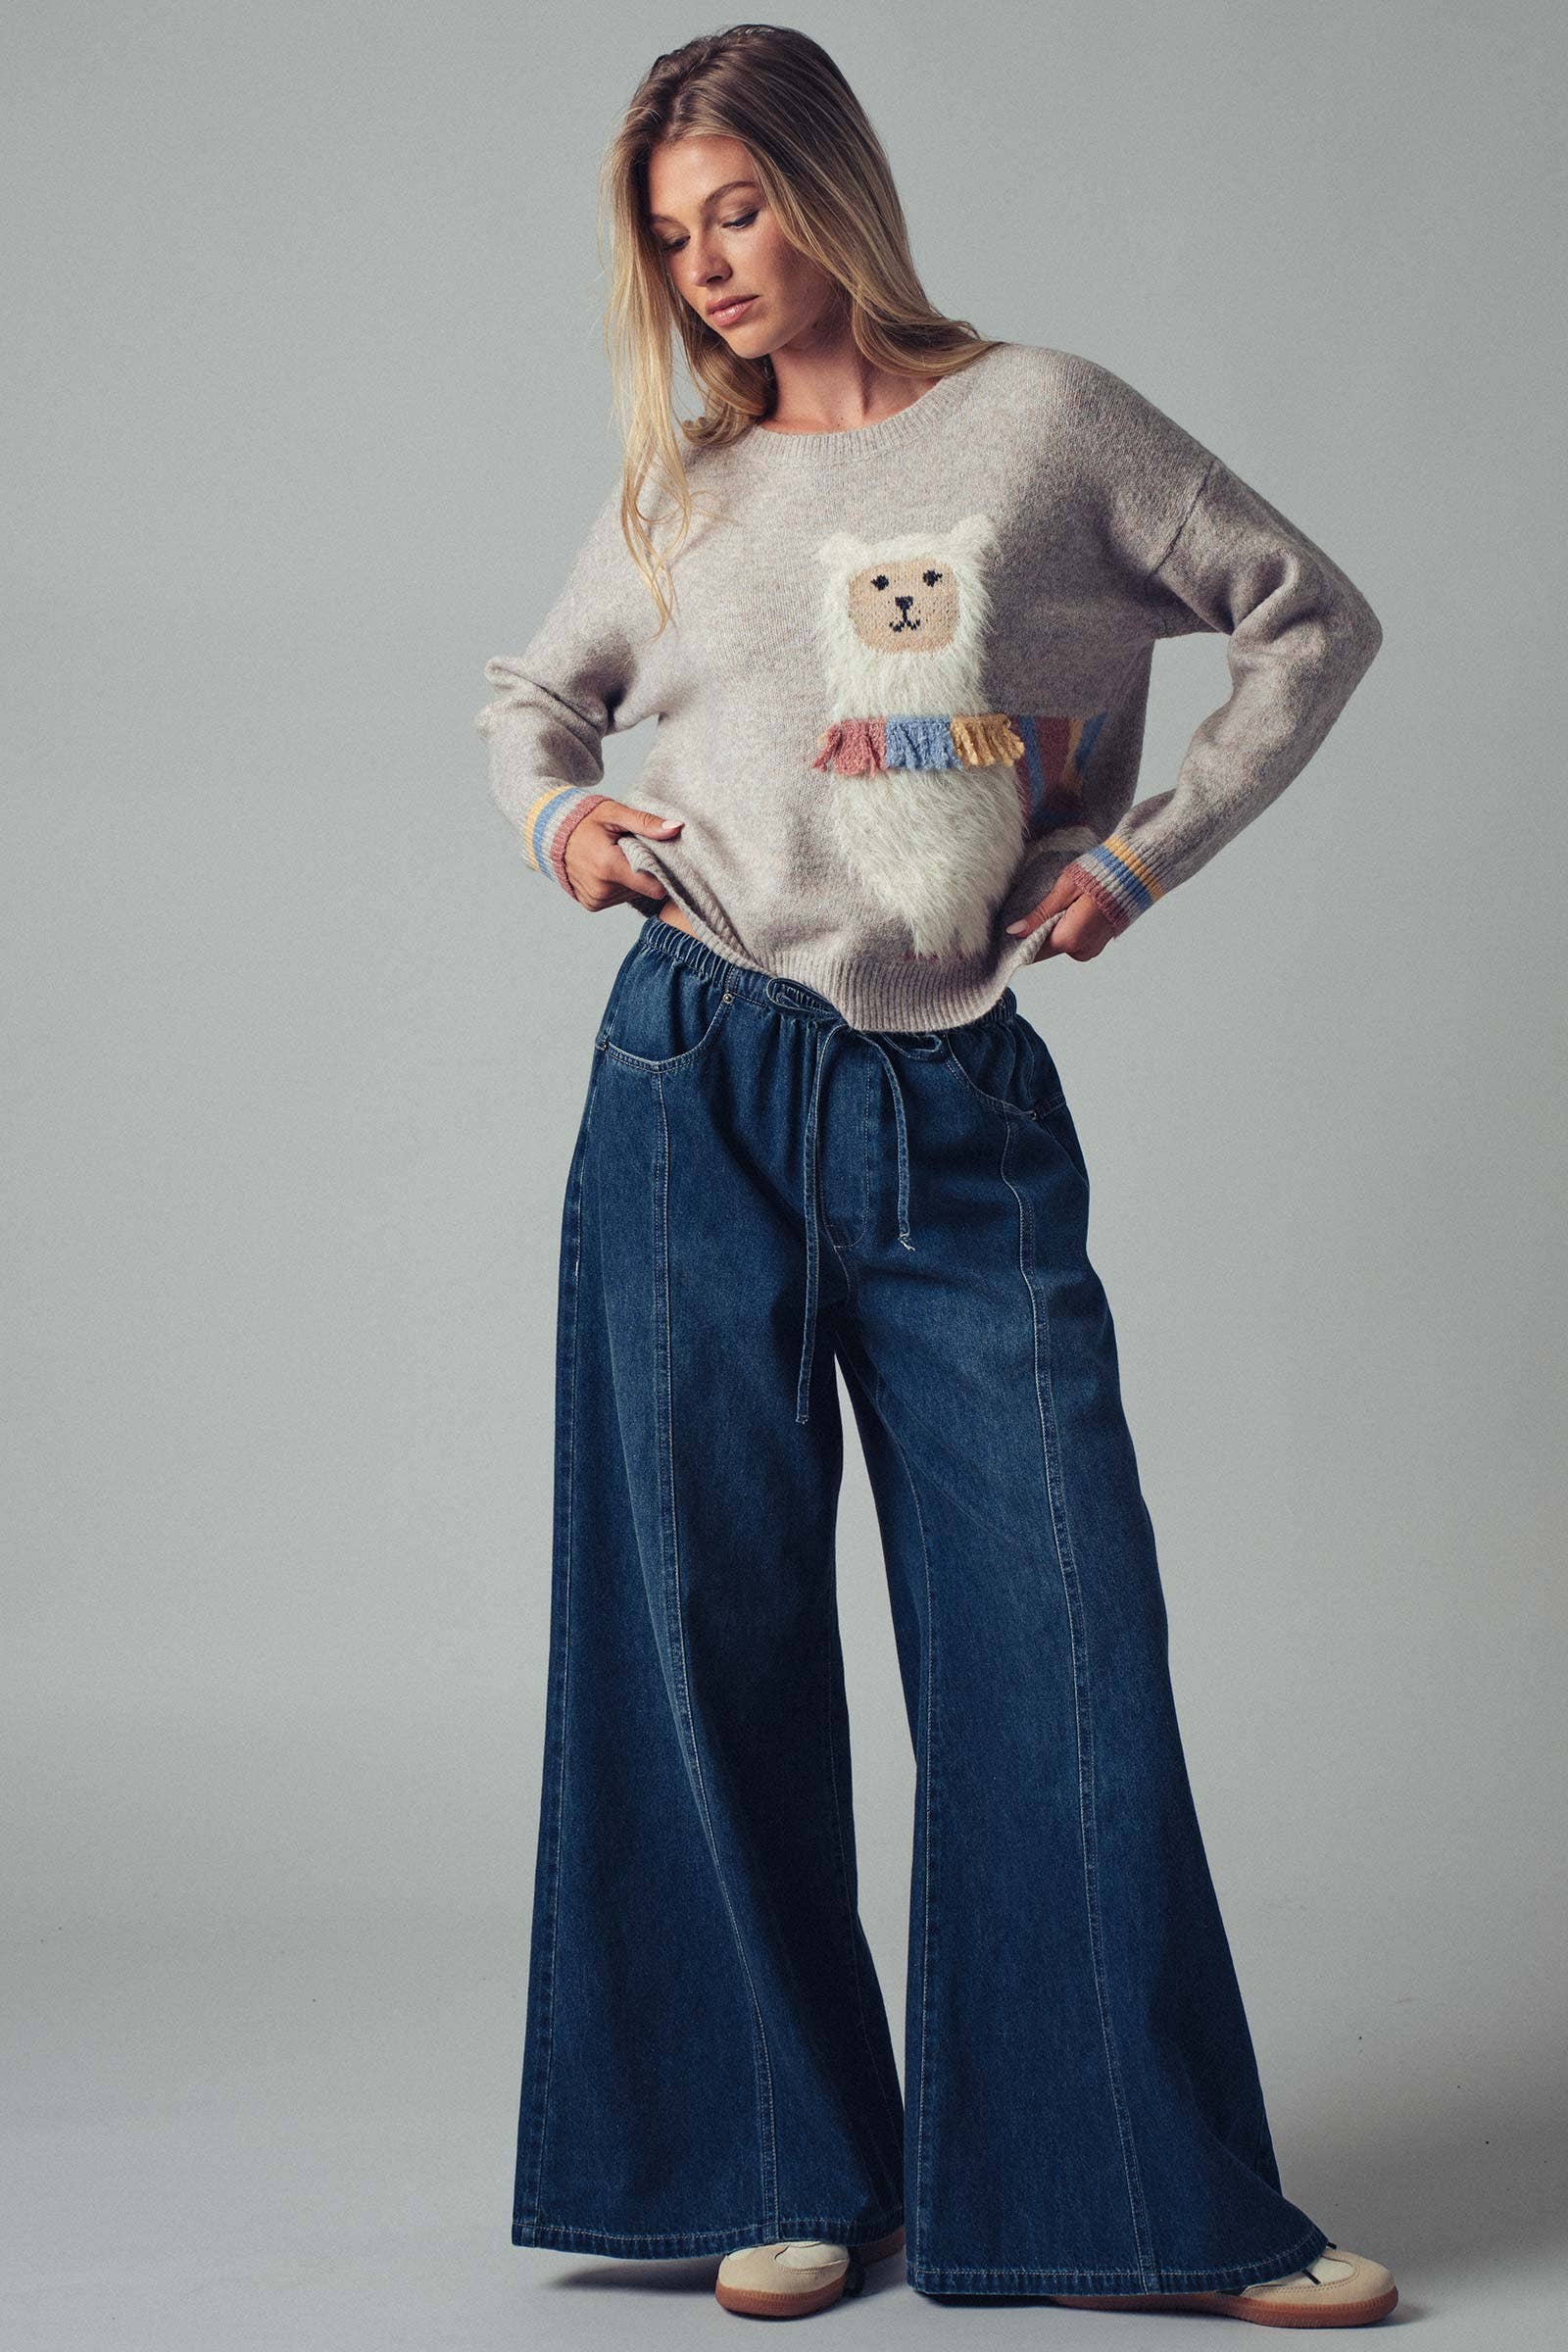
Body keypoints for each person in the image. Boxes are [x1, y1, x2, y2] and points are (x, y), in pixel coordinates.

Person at [473, 22, 1396, 2330]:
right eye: (671, 238)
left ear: (827, 190)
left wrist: (1139, 856)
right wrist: (564, 820)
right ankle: (773, 2163)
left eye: (737, 210)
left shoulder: (1044, 423)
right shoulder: (683, 488)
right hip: (692, 1076)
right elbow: (530, 697)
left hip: (951, 1097)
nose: (707, 267)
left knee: (1052, 1628)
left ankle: (1129, 2198)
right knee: (700, 1622)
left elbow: (1304, 616)